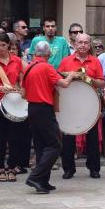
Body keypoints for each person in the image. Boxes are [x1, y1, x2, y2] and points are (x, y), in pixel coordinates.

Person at [23, 41, 75, 193]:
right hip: (44, 108)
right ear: (49, 54)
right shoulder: (47, 67)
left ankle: (43, 182)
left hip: (32, 108)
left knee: (41, 146)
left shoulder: (28, 67)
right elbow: (64, 84)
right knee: (55, 145)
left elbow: (23, 93)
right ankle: (35, 177)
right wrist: (71, 75)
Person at [57, 33, 105, 179]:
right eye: (80, 43)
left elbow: (102, 83)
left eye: (85, 42)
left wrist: (89, 79)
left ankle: (94, 168)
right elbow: (58, 79)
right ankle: (68, 169)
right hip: (70, 104)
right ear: (75, 44)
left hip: (90, 104)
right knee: (68, 137)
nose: (83, 45)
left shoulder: (95, 61)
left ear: (89, 45)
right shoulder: (66, 61)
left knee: (92, 138)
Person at [0, 33, 24, 183]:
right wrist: (0, 88)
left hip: (14, 102)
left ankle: (12, 167)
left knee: (14, 137)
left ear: (9, 45)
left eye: (3, 45)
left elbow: (22, 81)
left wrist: (21, 90)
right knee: (0, 137)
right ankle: (1, 167)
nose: (1, 48)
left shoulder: (18, 61)